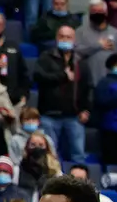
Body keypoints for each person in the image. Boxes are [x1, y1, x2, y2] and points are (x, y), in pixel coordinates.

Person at [31, 26, 87, 165]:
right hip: (49, 114)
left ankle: (79, 184)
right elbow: (38, 76)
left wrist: (86, 109)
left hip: (74, 115)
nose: (65, 40)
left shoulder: (80, 61)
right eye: (62, 36)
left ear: (74, 40)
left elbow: (87, 87)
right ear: (56, 39)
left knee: (78, 155)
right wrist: (62, 76)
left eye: (68, 37)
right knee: (50, 155)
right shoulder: (46, 57)